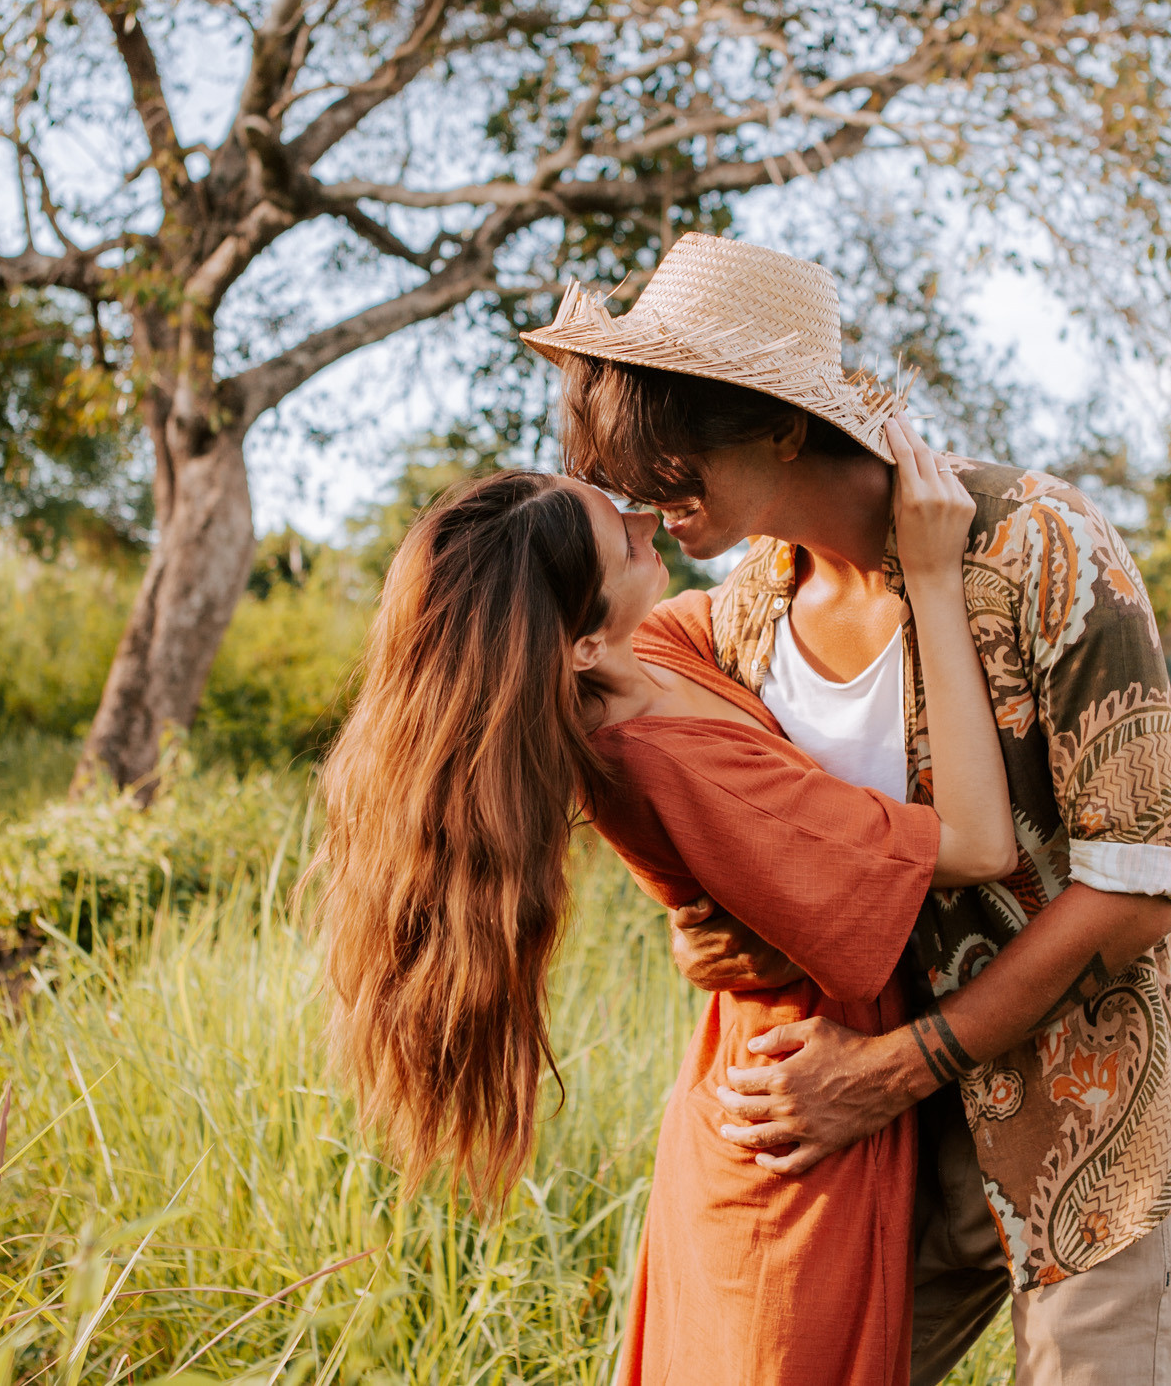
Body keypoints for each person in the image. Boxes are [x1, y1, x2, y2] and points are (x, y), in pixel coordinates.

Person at [521, 233, 1171, 1386]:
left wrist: (898, 1065)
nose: (646, 496)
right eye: (628, 473)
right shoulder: (743, 609)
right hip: (883, 1139)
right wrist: (701, 914)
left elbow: (1140, 889)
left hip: (1090, 1100)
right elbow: (690, 773)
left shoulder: (1040, 546)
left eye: (673, 463)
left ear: (780, 427)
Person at [320, 414, 1024, 1386]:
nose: (646, 520)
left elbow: (769, 590)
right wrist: (936, 578)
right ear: (577, 642)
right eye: (621, 536)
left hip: (779, 1090)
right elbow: (980, 843)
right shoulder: (666, 758)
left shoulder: (651, 653)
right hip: (792, 1131)